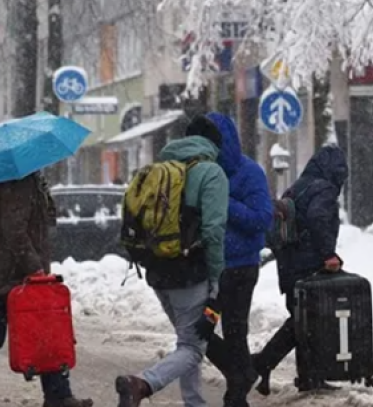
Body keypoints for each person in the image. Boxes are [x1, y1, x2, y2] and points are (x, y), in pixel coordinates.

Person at [0, 171, 93, 407]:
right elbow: (14, 228)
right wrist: (34, 266)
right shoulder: (17, 179)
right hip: (9, 274)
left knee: (21, 331)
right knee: (37, 328)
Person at [115, 115, 229, 407]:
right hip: (190, 272)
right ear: (213, 145)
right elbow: (214, 232)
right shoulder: (210, 173)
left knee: (187, 342)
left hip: (157, 269)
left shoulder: (158, 169)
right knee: (192, 348)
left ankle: (194, 403)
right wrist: (218, 279)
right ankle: (142, 383)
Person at [250, 144, 346, 395]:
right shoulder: (323, 188)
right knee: (306, 321)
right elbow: (317, 218)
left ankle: (307, 376)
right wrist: (328, 254)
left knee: (303, 321)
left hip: (289, 264)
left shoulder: (298, 186)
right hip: (307, 265)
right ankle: (262, 363)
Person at [203, 113, 272, 407]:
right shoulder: (202, 173)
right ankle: (240, 373)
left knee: (234, 331)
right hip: (211, 270)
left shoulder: (250, 173)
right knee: (199, 330)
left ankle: (236, 396)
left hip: (241, 269)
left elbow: (262, 219)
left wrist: (224, 201)